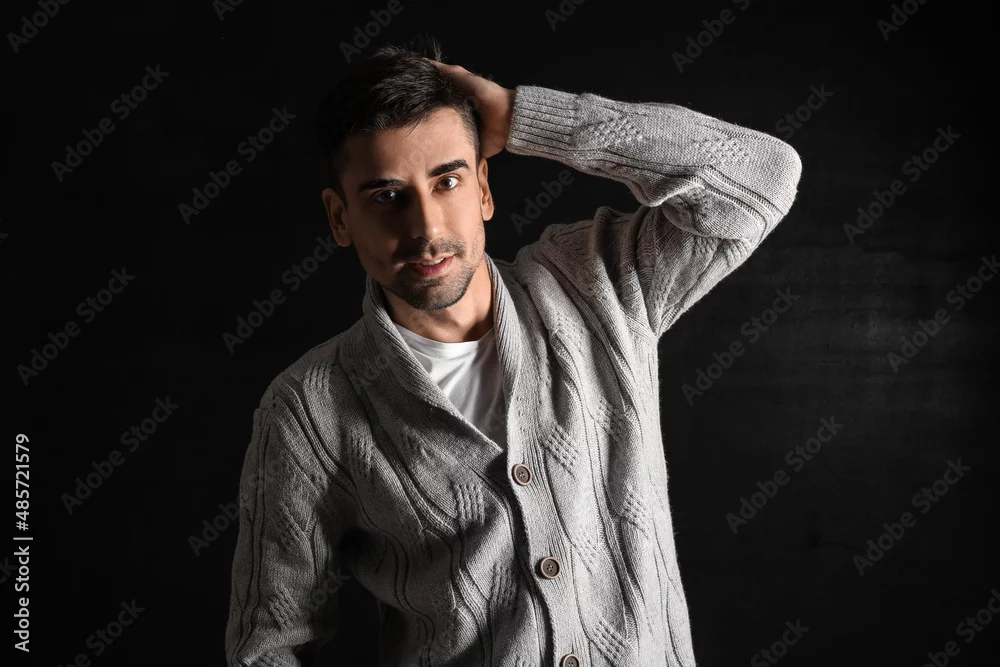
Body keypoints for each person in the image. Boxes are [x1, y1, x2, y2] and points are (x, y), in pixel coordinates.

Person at [225, 33, 802, 667]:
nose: (426, 229)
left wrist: (525, 117)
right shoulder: (307, 411)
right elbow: (269, 646)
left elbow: (762, 175)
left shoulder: (594, 285)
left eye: (447, 181)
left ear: (484, 190)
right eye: (386, 197)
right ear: (340, 218)